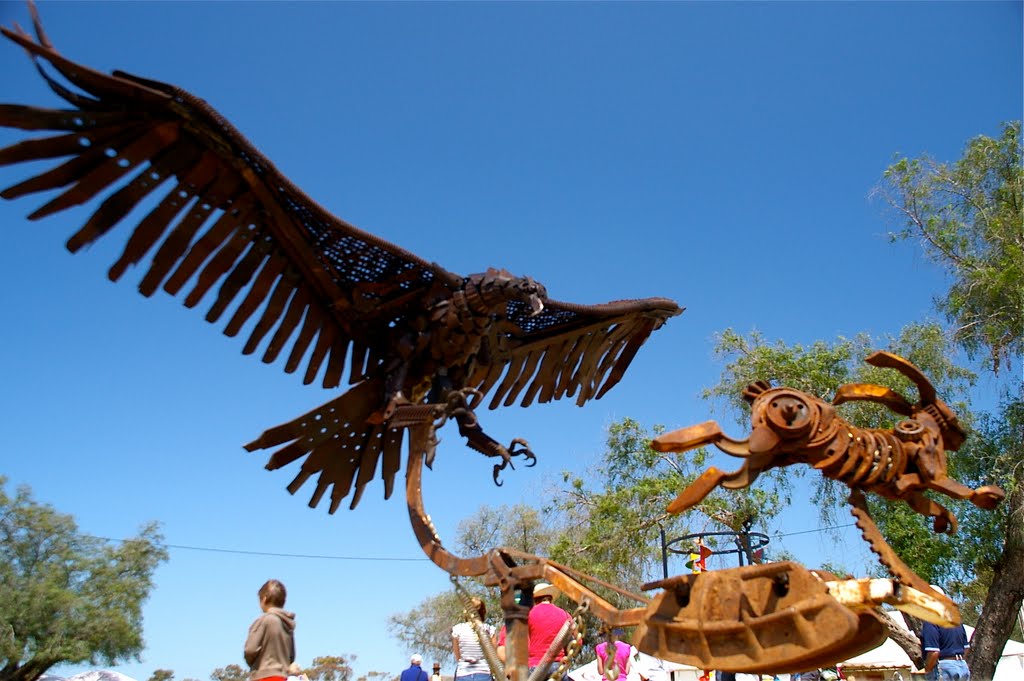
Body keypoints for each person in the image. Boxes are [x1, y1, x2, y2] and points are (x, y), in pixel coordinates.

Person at [497, 583, 571, 679]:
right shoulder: (565, 615)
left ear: (534, 599)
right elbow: (576, 641)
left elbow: (504, 646)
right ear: (551, 598)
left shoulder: (527, 614)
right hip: (558, 666)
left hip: (534, 667)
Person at [244, 579, 296, 681]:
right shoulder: (288, 625)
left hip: (264, 676)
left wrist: (252, 663)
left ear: (264, 599)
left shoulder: (264, 620)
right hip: (282, 676)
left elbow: (250, 649)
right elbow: (291, 656)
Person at [921, 586, 970, 681]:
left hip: (944, 667)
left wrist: (927, 671)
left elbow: (934, 652)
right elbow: (966, 648)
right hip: (962, 666)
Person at [452, 597, 495, 681]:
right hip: (484, 671)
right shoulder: (489, 629)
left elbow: (458, 655)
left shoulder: (458, 629)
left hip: (463, 672)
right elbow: (493, 655)